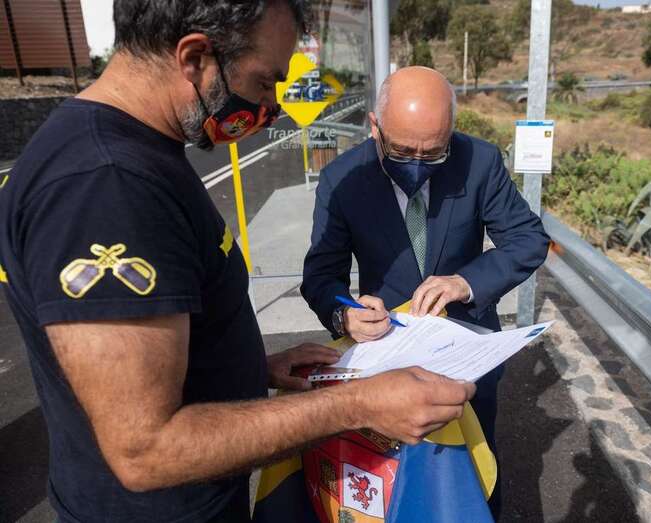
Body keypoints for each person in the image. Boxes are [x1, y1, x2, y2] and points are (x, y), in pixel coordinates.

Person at [0, 3, 475, 522]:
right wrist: (359, 404)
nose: (271, 105)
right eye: (265, 81)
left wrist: (252, 370)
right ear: (195, 58)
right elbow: (145, 450)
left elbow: (151, 355)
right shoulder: (106, 187)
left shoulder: (137, 148)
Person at [301, 66, 551, 516]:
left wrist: (466, 282)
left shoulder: (479, 161)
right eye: (401, 150)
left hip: (467, 351)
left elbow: (528, 239)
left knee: (475, 471)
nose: (416, 163)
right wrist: (345, 314)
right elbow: (321, 275)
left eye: (433, 153)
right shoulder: (343, 179)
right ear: (375, 127)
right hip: (388, 357)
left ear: (451, 131)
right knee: (395, 483)